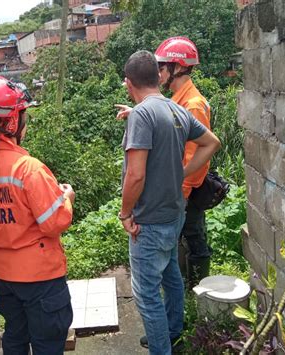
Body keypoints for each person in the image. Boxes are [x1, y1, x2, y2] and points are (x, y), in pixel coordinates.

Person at [0, 75, 75, 355]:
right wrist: (67, 199)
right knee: (48, 344)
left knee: (15, 337)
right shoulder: (28, 169)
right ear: (13, 121)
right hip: (40, 279)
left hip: (4, 278)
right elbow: (55, 222)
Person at [118, 50, 220, 355]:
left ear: (128, 83)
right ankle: (173, 330)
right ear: (157, 77)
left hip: (148, 220)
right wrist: (182, 173)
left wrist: (125, 213)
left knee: (147, 295)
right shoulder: (176, 109)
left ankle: (162, 348)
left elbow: (135, 176)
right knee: (170, 275)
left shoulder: (143, 115)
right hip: (174, 212)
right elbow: (211, 142)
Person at [117, 37, 213, 291]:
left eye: (162, 68)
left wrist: (179, 179)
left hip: (181, 193)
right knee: (173, 256)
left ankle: (198, 290)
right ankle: (182, 302)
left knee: (193, 241)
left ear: (177, 68)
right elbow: (167, 128)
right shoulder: (176, 101)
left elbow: (198, 153)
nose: (158, 74)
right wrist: (138, 112)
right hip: (173, 193)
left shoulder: (192, 104)